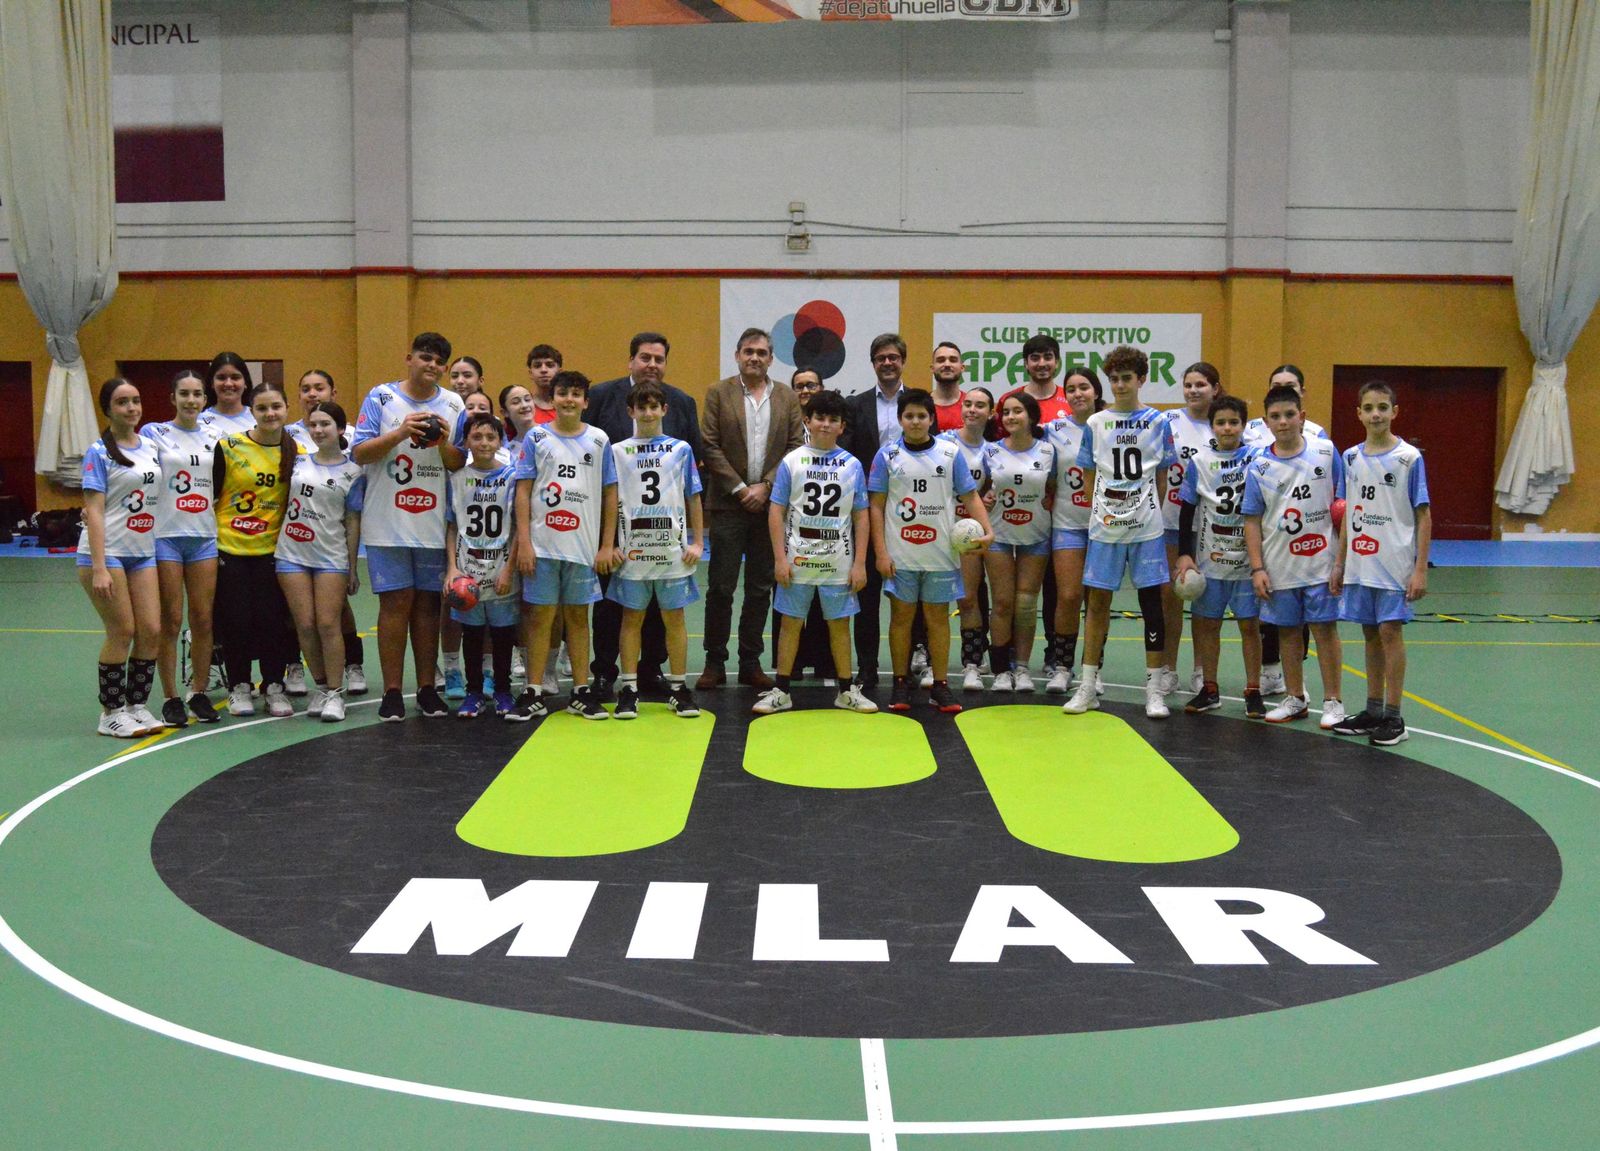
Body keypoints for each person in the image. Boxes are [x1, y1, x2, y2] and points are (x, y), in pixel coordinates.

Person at [350, 331, 467, 722]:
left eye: (438, 361)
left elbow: (457, 462)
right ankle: (393, 692)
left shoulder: (454, 403)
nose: (431, 365)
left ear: (445, 368)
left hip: (433, 523)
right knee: (395, 604)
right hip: (387, 521)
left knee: (428, 607)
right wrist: (402, 431)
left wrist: (444, 444)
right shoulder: (381, 397)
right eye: (425, 357)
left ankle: (427, 688)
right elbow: (360, 452)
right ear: (409, 358)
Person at [1061, 346, 1179, 720]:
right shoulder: (1096, 423)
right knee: (1096, 605)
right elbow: (1090, 474)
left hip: (1146, 528)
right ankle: (1087, 685)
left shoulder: (1158, 423)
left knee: (1152, 605)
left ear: (1141, 379)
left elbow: (1162, 476)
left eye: (1127, 378)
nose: (1120, 385)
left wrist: (1145, 511)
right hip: (1105, 527)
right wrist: (1107, 510)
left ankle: (1154, 689)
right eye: (1114, 379)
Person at [586, 333, 702, 700]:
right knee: (612, 609)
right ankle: (606, 673)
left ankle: (651, 670)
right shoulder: (603, 396)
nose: (652, 364)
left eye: (659, 359)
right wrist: (606, 541)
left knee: (660, 612)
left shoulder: (682, 402)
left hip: (667, 536)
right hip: (618, 532)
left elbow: (692, 479)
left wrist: (697, 538)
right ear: (631, 361)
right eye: (644, 357)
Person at [868, 387, 993, 713]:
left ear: (931, 419)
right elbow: (876, 507)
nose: (915, 421)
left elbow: (970, 496)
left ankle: (940, 685)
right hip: (901, 555)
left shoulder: (951, 454)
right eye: (909, 416)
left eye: (922, 415)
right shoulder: (886, 456)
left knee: (938, 619)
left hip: (940, 554)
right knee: (901, 619)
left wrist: (987, 529)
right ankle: (900, 682)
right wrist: (880, 552)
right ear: (900, 419)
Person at [756, 388, 878, 715]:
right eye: (819, 417)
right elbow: (776, 510)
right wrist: (780, 559)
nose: (825, 424)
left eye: (832, 419)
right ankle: (781, 689)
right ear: (808, 420)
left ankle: (845, 690)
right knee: (791, 623)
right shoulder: (792, 462)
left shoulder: (851, 465)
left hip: (838, 560)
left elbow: (861, 515)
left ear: (842, 425)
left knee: (839, 624)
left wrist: (860, 564)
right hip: (797, 560)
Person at [697, 327, 805, 690]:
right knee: (721, 588)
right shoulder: (717, 392)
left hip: (770, 507)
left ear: (771, 358)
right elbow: (709, 445)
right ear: (737, 355)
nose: (754, 357)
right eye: (748, 351)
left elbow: (794, 446)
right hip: (728, 505)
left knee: (760, 588)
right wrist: (742, 489)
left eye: (761, 352)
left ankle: (750, 661)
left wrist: (768, 486)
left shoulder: (788, 397)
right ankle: (714, 661)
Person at [509, 370, 620, 720]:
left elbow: (610, 492)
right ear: (551, 399)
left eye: (575, 394)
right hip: (542, 546)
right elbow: (523, 490)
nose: (569, 399)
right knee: (540, 617)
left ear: (585, 401)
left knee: (577, 617)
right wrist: (524, 542)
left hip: (583, 548)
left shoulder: (600, 440)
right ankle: (533, 690)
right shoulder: (536, 438)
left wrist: (605, 545)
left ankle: (581, 691)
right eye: (562, 393)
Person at [1329, 380, 1432, 746]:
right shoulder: (1351, 458)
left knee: (1390, 631)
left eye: (1382, 407)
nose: (1376, 414)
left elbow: (1423, 515)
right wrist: (1339, 564)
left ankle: (1394, 716)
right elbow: (1346, 513)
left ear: (1394, 412)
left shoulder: (1409, 459)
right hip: (1360, 561)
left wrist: (1420, 567)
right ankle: (1372, 710)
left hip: (1394, 562)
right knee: (1369, 632)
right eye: (1369, 407)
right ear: (1358, 413)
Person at [1242, 383, 1346, 728]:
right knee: (1287, 632)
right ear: (1266, 421)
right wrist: (1257, 568)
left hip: (1321, 562)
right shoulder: (1258, 467)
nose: (1283, 421)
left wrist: (1342, 560)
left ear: (1302, 417)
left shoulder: (1326, 453)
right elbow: (1253, 521)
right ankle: (1295, 697)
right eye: (1275, 416)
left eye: (1289, 415)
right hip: (1280, 564)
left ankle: (1333, 700)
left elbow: (1344, 507)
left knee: (1324, 630)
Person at [608, 381, 705, 719]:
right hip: (633, 553)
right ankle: (629, 688)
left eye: (654, 407)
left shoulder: (681, 449)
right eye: (641, 407)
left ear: (664, 410)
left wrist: (697, 541)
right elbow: (611, 499)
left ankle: (679, 688)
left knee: (674, 619)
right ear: (631, 411)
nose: (648, 413)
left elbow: (693, 494)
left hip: (672, 552)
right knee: (631, 619)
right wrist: (611, 545)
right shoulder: (618, 451)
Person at [78, 378, 164, 737]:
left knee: (152, 629)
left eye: (136, 400)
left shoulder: (150, 447)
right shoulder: (98, 452)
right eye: (122, 402)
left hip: (142, 552)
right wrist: (99, 567)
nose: (132, 408)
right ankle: (110, 712)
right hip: (106, 553)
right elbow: (94, 512)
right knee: (122, 630)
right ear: (108, 410)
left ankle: (136, 705)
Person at [213, 382, 302, 717]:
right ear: (251, 411)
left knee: (271, 622)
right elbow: (212, 495)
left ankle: (274, 686)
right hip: (230, 547)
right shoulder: (228, 446)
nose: (270, 414)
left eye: (276, 407)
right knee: (236, 621)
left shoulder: (297, 453)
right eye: (262, 408)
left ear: (287, 408)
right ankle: (239, 686)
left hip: (273, 551)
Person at [1173, 395, 1264, 717]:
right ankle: (1209, 688)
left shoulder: (1258, 458)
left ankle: (1254, 689)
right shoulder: (1200, 461)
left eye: (1234, 422)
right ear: (1212, 426)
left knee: (1250, 626)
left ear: (1243, 424)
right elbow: (1187, 509)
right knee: (1206, 625)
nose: (1227, 428)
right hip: (1210, 559)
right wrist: (1185, 554)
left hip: (1246, 561)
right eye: (1221, 422)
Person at [275, 401, 364, 722]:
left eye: (325, 424)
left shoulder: (353, 471)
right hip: (291, 554)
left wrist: (352, 567)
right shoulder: (296, 462)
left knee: (328, 624)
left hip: (331, 557)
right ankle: (322, 686)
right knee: (306, 625)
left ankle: (336, 694)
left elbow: (352, 523)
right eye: (313, 424)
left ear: (341, 429)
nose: (318, 430)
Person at [1245, 363, 1328, 696]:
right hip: (1265, 530)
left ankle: (1299, 681)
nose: (1285, 388)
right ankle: (1270, 670)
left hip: (1307, 541)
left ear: (1302, 396)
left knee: (1306, 616)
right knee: (1269, 611)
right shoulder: (1252, 431)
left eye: (1291, 385)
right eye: (1277, 384)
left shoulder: (1319, 437)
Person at [146, 369, 221, 726]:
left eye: (197, 394)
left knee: (203, 619)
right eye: (184, 394)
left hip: (204, 536)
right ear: (172, 398)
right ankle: (171, 696)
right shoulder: (155, 434)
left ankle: (199, 691)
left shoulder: (216, 436)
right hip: (167, 537)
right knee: (171, 619)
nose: (191, 400)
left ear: (205, 400)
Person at [844, 332, 911, 688]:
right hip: (868, 508)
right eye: (881, 358)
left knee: (910, 592)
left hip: (912, 509)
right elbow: (848, 457)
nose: (888, 362)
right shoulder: (855, 406)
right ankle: (867, 666)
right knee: (867, 594)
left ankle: (912, 665)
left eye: (893, 357)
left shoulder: (918, 401)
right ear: (873, 363)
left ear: (903, 361)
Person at [444, 412, 520, 719]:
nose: (484, 443)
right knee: (472, 634)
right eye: (477, 437)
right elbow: (451, 527)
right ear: (466, 442)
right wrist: (451, 569)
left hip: (501, 568)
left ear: (501, 441)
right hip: (467, 570)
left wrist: (509, 569)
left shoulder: (512, 477)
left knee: (503, 635)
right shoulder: (457, 479)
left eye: (491, 437)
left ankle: (503, 690)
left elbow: (518, 528)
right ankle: (474, 692)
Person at [980, 391, 1056, 692]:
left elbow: (1053, 488)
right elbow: (982, 489)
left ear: (1031, 416)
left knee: (1025, 603)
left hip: (1035, 534)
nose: (1010, 417)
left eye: (1017, 411)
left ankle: (1022, 668)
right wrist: (986, 497)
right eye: (1006, 412)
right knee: (1001, 602)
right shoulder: (990, 451)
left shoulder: (1049, 451)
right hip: (998, 533)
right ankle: (1001, 669)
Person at [1160, 361, 1223, 696]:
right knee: (1172, 599)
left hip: (1212, 527)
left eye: (1201, 384)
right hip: (1172, 521)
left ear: (1215, 387)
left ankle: (1201, 670)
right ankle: (1168, 669)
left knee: (1204, 601)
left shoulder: (1223, 425)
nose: (1194, 390)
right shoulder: (1168, 422)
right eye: (1188, 385)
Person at [1042, 367, 1103, 695]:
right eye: (1072, 389)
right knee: (1067, 596)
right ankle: (1063, 666)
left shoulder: (1109, 425)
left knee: (1098, 600)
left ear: (1096, 391)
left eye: (1084, 387)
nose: (1078, 393)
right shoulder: (1053, 430)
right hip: (1067, 523)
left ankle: (1093, 670)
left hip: (1105, 525)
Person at [781, 367, 833, 682]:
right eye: (798, 386)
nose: (804, 390)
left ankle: (825, 660)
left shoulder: (833, 425)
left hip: (827, 523)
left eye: (810, 384)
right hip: (791, 521)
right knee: (790, 592)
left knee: (823, 594)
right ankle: (792, 663)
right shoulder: (786, 424)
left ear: (822, 387)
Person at [940, 387, 993, 691]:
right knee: (932, 599)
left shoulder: (992, 451)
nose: (972, 410)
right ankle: (928, 659)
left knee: (968, 596)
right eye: (968, 404)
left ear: (990, 412)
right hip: (938, 529)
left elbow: (993, 487)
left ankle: (972, 663)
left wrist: (992, 495)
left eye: (980, 405)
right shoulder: (945, 443)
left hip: (967, 535)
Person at [994, 334, 1073, 432]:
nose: (1042, 364)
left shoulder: (1070, 399)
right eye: (1035, 358)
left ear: (1056, 362)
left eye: (1048, 357)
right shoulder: (1007, 400)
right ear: (1026, 363)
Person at [199, 352, 256, 436]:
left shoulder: (258, 419)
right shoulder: (198, 422)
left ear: (245, 383)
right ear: (212, 383)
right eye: (221, 378)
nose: (228, 384)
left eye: (235, 377)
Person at [930, 341, 967, 432]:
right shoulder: (921, 405)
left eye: (953, 360)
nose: (947, 364)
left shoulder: (971, 406)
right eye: (941, 360)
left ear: (962, 368)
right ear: (932, 368)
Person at [526, 344, 563, 426]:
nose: (543, 370)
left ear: (559, 372)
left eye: (549, 365)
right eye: (537, 366)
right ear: (530, 373)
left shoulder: (569, 406)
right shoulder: (524, 407)